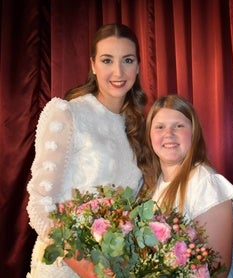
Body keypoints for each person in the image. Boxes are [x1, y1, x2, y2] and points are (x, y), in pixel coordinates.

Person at [26, 23, 147, 278]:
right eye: (107, 60)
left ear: (138, 66)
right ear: (93, 65)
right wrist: (86, 267)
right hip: (66, 265)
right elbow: (39, 204)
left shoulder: (139, 127)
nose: (118, 71)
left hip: (116, 269)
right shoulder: (68, 113)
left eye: (127, 60)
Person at [140, 95, 233, 278]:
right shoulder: (154, 184)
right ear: (150, 136)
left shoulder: (206, 183)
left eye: (179, 126)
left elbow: (217, 270)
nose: (169, 133)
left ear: (194, 133)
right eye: (159, 127)